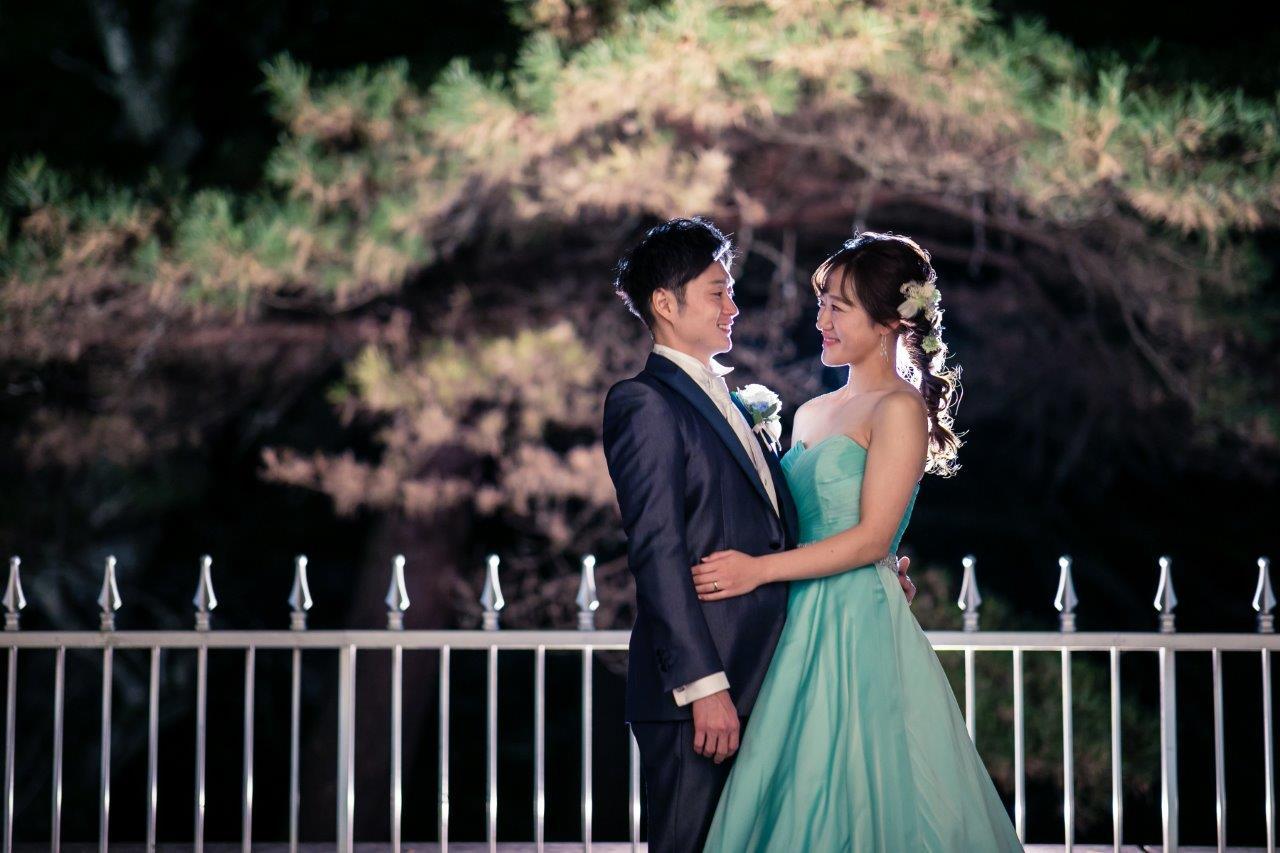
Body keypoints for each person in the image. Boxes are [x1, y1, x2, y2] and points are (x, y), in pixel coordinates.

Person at [694, 232, 1022, 852]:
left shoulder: (899, 409)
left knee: (857, 790)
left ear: (891, 320)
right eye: (822, 304)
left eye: (838, 307)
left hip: (853, 624)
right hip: (794, 619)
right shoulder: (812, 412)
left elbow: (872, 539)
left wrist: (756, 570)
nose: (821, 320)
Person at [601, 218, 915, 853]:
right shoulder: (646, 403)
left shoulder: (731, 403)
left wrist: (873, 571)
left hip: (778, 673)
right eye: (717, 292)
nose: (733, 307)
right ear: (666, 304)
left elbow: (789, 529)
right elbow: (659, 552)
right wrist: (704, 686)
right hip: (706, 690)